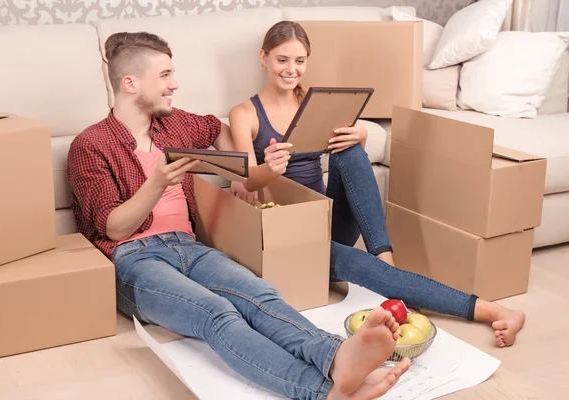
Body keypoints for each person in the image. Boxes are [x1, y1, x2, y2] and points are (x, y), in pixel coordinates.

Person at [67, 31, 412, 400]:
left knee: (260, 294)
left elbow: (218, 130)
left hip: (190, 246)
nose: (175, 84)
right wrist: (157, 183)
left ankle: (338, 357)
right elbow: (114, 228)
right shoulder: (90, 144)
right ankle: (323, 392)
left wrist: (240, 173)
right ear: (130, 83)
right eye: (165, 75)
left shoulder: (173, 124)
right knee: (216, 312)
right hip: (135, 259)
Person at [228, 21, 526, 349]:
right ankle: (493, 310)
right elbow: (246, 180)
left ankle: (386, 264)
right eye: (282, 60)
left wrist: (363, 133)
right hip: (294, 239)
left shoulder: (314, 102)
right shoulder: (245, 113)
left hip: (328, 223)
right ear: (264, 57)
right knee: (357, 264)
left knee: (351, 150)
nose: (291, 69)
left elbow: (350, 142)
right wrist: (269, 169)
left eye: (300, 61)